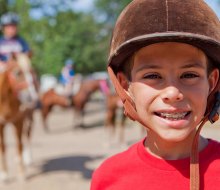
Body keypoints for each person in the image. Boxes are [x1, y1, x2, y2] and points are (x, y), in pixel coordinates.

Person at [91, 0, 220, 190]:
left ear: (212, 82)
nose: (172, 93)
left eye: (189, 75)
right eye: (152, 76)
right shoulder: (108, 178)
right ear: (125, 85)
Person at [0, 12, 39, 107]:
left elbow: (27, 53)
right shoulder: (1, 41)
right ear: (3, 28)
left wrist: (21, 59)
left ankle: (33, 96)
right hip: (3, 66)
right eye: (9, 26)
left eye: (14, 26)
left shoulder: (20, 41)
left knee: (30, 74)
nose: (12, 29)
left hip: (18, 67)